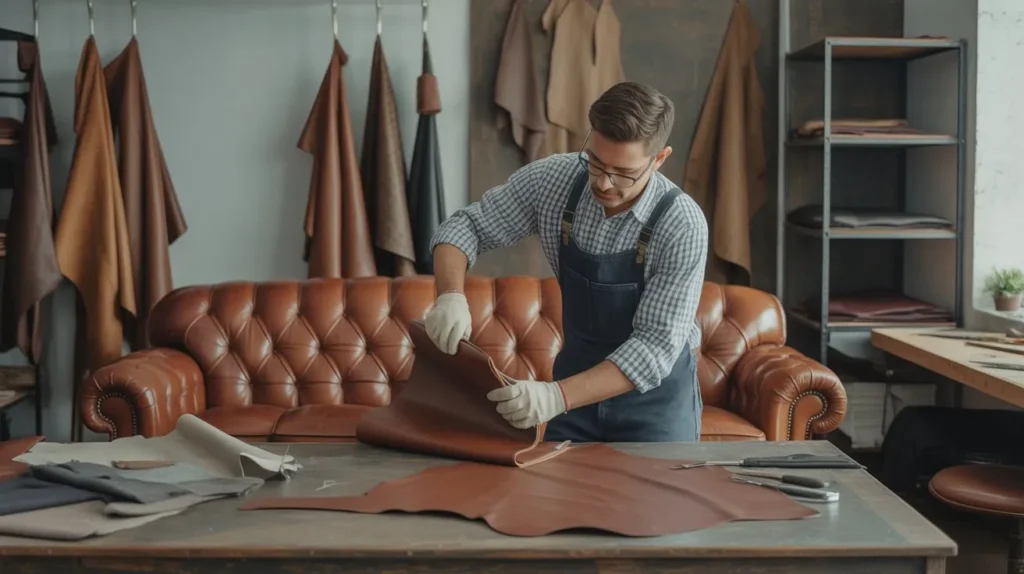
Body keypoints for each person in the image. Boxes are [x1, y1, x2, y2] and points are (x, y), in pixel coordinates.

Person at [424, 81, 709, 443]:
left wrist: (554, 396)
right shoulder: (554, 180)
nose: (603, 183)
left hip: (653, 406)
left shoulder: (682, 224)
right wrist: (450, 294)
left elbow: (653, 348)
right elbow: (467, 226)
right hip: (574, 393)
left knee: (655, 500)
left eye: (623, 173)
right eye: (595, 161)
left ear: (659, 158)